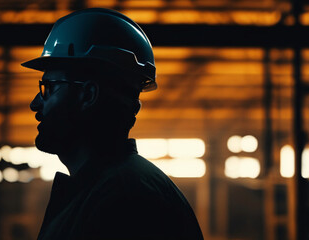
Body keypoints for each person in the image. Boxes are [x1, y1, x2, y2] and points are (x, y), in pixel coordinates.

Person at [23, 8, 204, 240]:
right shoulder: (110, 190)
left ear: (88, 95)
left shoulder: (125, 201)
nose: (35, 103)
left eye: (48, 87)